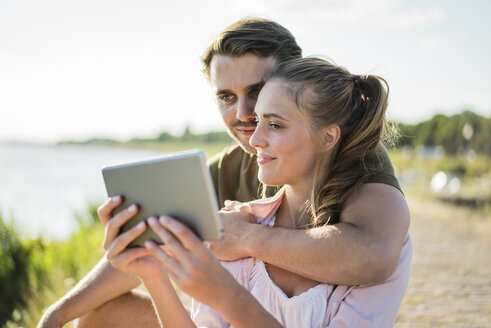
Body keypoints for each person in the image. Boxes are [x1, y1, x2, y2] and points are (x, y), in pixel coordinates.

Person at [37, 18, 410, 327]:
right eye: (226, 97)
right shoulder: (221, 170)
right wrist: (55, 316)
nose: (244, 114)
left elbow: (374, 256)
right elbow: (149, 240)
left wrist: (246, 239)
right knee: (102, 316)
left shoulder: (355, 156)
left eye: (258, 92)